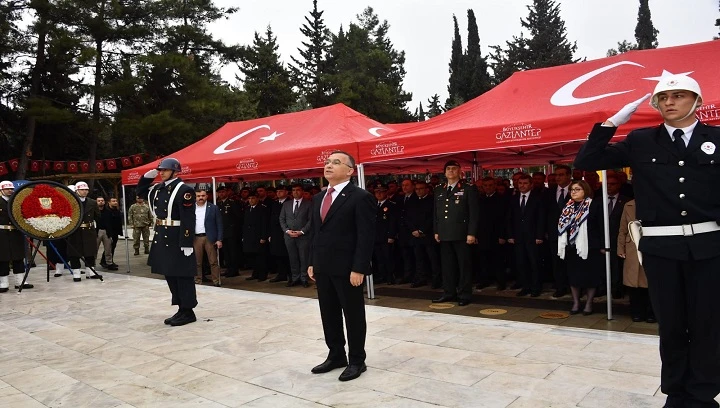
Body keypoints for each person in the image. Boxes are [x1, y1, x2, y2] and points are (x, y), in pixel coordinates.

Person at [574, 74, 720, 408]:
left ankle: (702, 395)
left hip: (711, 246)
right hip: (661, 248)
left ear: (697, 101)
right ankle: (676, 393)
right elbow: (586, 161)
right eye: (663, 97)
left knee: (708, 324)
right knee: (671, 325)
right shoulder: (641, 141)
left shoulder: (717, 138)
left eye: (679, 95)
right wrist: (612, 122)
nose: (669, 102)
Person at [307, 151, 375, 382]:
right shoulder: (318, 198)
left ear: (349, 171)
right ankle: (336, 355)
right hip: (323, 267)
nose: (329, 165)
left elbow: (366, 237)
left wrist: (359, 268)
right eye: (327, 162)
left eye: (336, 162)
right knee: (329, 313)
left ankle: (357, 359)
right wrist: (311, 262)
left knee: (353, 314)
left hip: (348, 269)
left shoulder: (360, 197)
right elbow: (315, 233)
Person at [136, 158, 197, 326]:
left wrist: (186, 241)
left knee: (183, 275)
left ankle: (188, 310)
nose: (161, 172)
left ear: (175, 171)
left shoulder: (184, 190)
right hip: (163, 235)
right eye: (160, 169)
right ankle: (180, 308)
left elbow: (188, 218)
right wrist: (146, 178)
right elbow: (140, 192)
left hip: (177, 237)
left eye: (165, 170)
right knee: (170, 274)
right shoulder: (159, 188)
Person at [432, 160, 480, 306]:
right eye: (448, 169)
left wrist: (472, 233)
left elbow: (474, 213)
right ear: (444, 172)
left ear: (460, 171)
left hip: (462, 234)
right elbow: (436, 213)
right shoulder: (439, 189)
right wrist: (436, 231)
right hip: (445, 233)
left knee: (464, 266)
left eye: (454, 169)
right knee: (447, 266)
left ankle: (464, 294)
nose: (451, 171)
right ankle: (449, 292)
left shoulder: (468, 188)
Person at [557, 180, 605, 315]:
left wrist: (603, 245)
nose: (573, 192)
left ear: (586, 190)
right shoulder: (567, 206)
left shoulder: (594, 205)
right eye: (572, 189)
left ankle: (589, 303)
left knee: (590, 276)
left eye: (577, 189)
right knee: (574, 276)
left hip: (590, 247)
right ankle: (576, 302)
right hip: (572, 247)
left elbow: (601, 226)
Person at [506, 174, 545, 297]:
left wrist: (539, 235)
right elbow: (509, 218)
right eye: (520, 183)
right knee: (521, 263)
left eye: (525, 183)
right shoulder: (513, 198)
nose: (522, 185)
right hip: (518, 237)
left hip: (533, 237)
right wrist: (510, 235)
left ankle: (536, 287)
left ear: (531, 185)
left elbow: (541, 218)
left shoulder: (538, 198)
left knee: (534, 263)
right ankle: (525, 286)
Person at [616, 199, 655, 323]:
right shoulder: (629, 205)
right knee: (633, 283)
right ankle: (637, 312)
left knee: (651, 282)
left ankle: (651, 313)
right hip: (632, 248)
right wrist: (620, 247)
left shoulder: (656, 201)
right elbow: (623, 229)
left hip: (651, 246)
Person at [0, 180, 33, 291]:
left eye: (11, 189)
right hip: (2, 233)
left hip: (16, 233)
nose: (10, 191)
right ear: (1, 190)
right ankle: (3, 283)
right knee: (3, 258)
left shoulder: (16, 201)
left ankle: (20, 281)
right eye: (7, 189)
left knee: (18, 257)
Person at [67, 181, 101, 282]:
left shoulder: (92, 202)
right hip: (75, 231)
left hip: (88, 230)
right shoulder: (71, 202)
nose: (85, 192)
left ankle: (90, 272)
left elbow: (98, 216)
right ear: (77, 190)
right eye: (82, 190)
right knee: (75, 253)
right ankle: (76, 274)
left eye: (86, 190)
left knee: (89, 252)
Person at [279, 184, 312, 287]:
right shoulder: (286, 204)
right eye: (293, 190)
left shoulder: (309, 204)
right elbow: (282, 219)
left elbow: (311, 220)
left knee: (303, 257)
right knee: (293, 258)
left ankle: (303, 278)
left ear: (302, 191)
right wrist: (287, 230)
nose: (295, 192)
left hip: (303, 236)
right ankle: (295, 278)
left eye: (298, 190)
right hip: (289, 236)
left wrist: (302, 231)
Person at [193, 189, 223, 286]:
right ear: (195, 197)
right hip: (196, 238)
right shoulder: (191, 208)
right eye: (198, 196)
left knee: (213, 261)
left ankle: (216, 281)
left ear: (206, 196)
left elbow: (219, 224)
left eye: (202, 195)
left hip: (210, 238)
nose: (200, 198)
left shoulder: (213, 208)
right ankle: (198, 280)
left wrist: (219, 239)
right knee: (197, 262)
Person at [96, 197, 119, 271]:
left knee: (108, 248)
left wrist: (111, 233)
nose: (100, 202)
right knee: (94, 249)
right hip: (97, 231)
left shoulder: (108, 212)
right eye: (99, 201)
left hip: (107, 231)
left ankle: (109, 263)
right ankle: (91, 264)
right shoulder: (94, 211)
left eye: (102, 201)